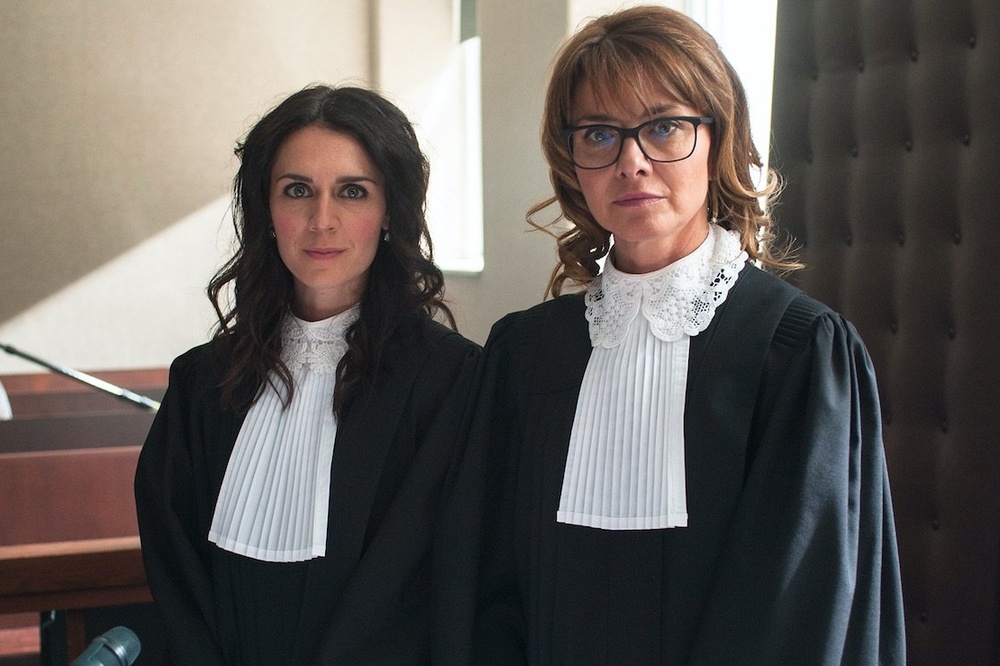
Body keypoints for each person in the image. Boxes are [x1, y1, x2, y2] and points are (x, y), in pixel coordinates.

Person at [472, 6, 905, 664]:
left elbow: (798, 613)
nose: (631, 162)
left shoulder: (799, 353)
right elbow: (491, 590)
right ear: (571, 160)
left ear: (718, 138)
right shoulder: (523, 355)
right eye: (599, 134)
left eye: (665, 127)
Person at [135, 84, 481, 665]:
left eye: (352, 191)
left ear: (390, 213)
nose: (322, 221)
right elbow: (176, 579)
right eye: (297, 190)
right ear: (266, 213)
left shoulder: (449, 383)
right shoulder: (201, 383)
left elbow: (439, 588)